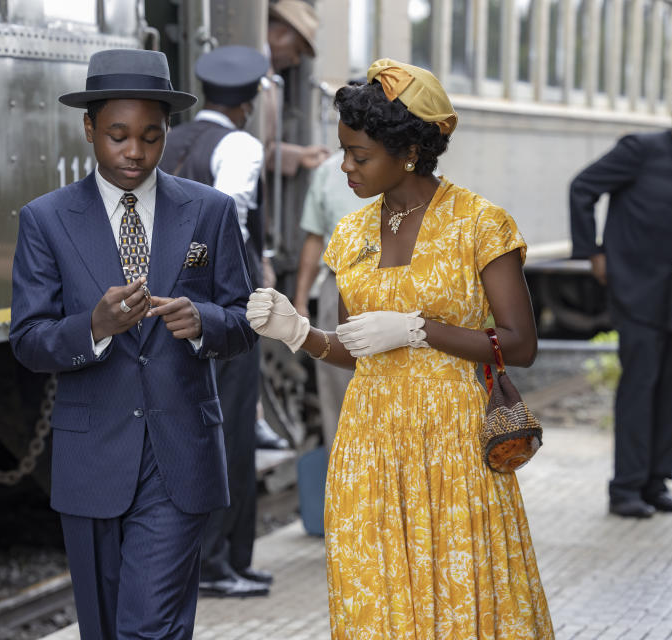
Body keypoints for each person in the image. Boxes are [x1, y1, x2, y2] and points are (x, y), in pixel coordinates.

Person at [246, 58, 553, 637]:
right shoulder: (352, 233)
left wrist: (420, 329)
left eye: (359, 155)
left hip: (454, 445)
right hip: (368, 441)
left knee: (460, 592)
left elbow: (520, 344)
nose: (345, 167)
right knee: (377, 598)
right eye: (343, 151)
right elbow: (355, 348)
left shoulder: (479, 225)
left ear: (408, 150)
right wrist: (297, 333)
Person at [9, 49, 256, 640]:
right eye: (118, 135)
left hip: (179, 454)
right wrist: (92, 327)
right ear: (89, 128)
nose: (134, 152)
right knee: (104, 629)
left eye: (150, 136)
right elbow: (27, 340)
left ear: (167, 132)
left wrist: (205, 322)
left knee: (150, 627)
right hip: (92, 458)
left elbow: (246, 318)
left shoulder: (210, 211)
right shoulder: (46, 220)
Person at [569, 90, 672, 519]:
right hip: (638, 294)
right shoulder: (639, 151)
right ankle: (626, 489)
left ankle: (657, 484)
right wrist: (594, 252)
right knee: (639, 388)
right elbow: (583, 188)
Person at [159, 45, 272, 598]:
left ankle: (226, 559)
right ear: (248, 104)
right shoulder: (241, 143)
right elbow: (230, 214)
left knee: (188, 431)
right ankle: (218, 562)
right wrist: (205, 275)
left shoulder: (167, 140)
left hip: (161, 308)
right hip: (224, 309)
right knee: (230, 430)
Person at [293, 146, 370, 450]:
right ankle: (343, 481)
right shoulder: (328, 169)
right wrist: (300, 302)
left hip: (397, 290)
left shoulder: (412, 165)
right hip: (337, 286)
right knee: (339, 393)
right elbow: (314, 239)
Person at [263, 0, 331, 176]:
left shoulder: (268, 73)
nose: (296, 60)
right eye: (297, 50)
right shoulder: (257, 69)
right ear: (280, 34)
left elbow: (258, 146)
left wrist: (299, 156)